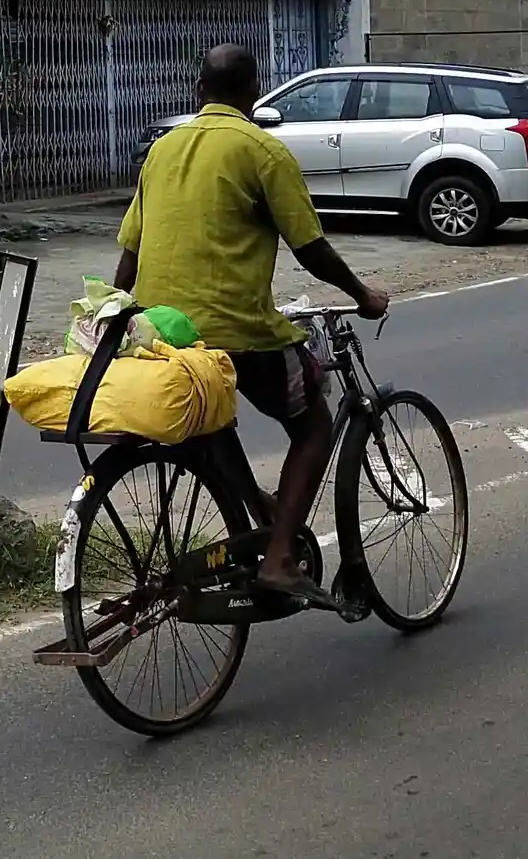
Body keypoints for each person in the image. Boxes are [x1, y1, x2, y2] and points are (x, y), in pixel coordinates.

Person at [114, 43, 389, 605]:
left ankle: (261, 516)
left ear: (199, 91)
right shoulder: (263, 150)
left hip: (158, 335)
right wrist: (362, 293)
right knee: (312, 425)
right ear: (250, 95)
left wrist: (116, 315)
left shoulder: (161, 152)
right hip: (236, 331)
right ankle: (281, 557)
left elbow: (130, 254)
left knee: (218, 421)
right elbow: (309, 247)